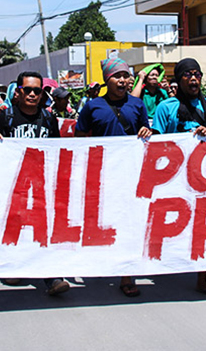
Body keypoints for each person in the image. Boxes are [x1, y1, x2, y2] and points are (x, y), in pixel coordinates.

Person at [0, 71, 71, 296]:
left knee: (43, 228)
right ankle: (14, 265)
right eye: (28, 90)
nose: (33, 94)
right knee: (15, 225)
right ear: (18, 92)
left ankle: (51, 277)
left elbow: (56, 150)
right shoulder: (5, 117)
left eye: (37, 90)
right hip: (13, 184)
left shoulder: (49, 117)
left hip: (42, 183)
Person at [75, 58, 152, 298]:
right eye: (117, 76)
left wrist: (146, 131)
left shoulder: (138, 105)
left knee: (128, 223)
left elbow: (148, 134)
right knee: (103, 221)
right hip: (102, 174)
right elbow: (79, 136)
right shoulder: (92, 106)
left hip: (131, 174)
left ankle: (126, 275)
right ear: (107, 80)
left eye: (126, 76)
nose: (122, 80)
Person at [151, 58, 206, 298]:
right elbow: (158, 142)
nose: (193, 79)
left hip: (202, 176)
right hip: (173, 177)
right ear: (179, 79)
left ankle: (202, 277)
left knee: (202, 224)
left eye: (197, 74)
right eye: (188, 75)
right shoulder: (166, 108)